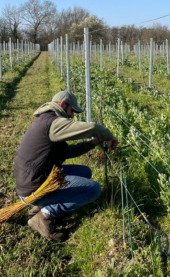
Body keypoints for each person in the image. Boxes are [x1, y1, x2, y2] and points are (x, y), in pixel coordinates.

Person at [14, 91, 119, 242]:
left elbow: (66, 152)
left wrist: (93, 143)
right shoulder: (53, 123)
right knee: (94, 189)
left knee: (85, 172)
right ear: (63, 105)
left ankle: (44, 204)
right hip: (33, 187)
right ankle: (44, 215)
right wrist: (109, 136)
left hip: (33, 179)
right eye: (71, 111)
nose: (72, 116)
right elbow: (91, 128)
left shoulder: (45, 121)